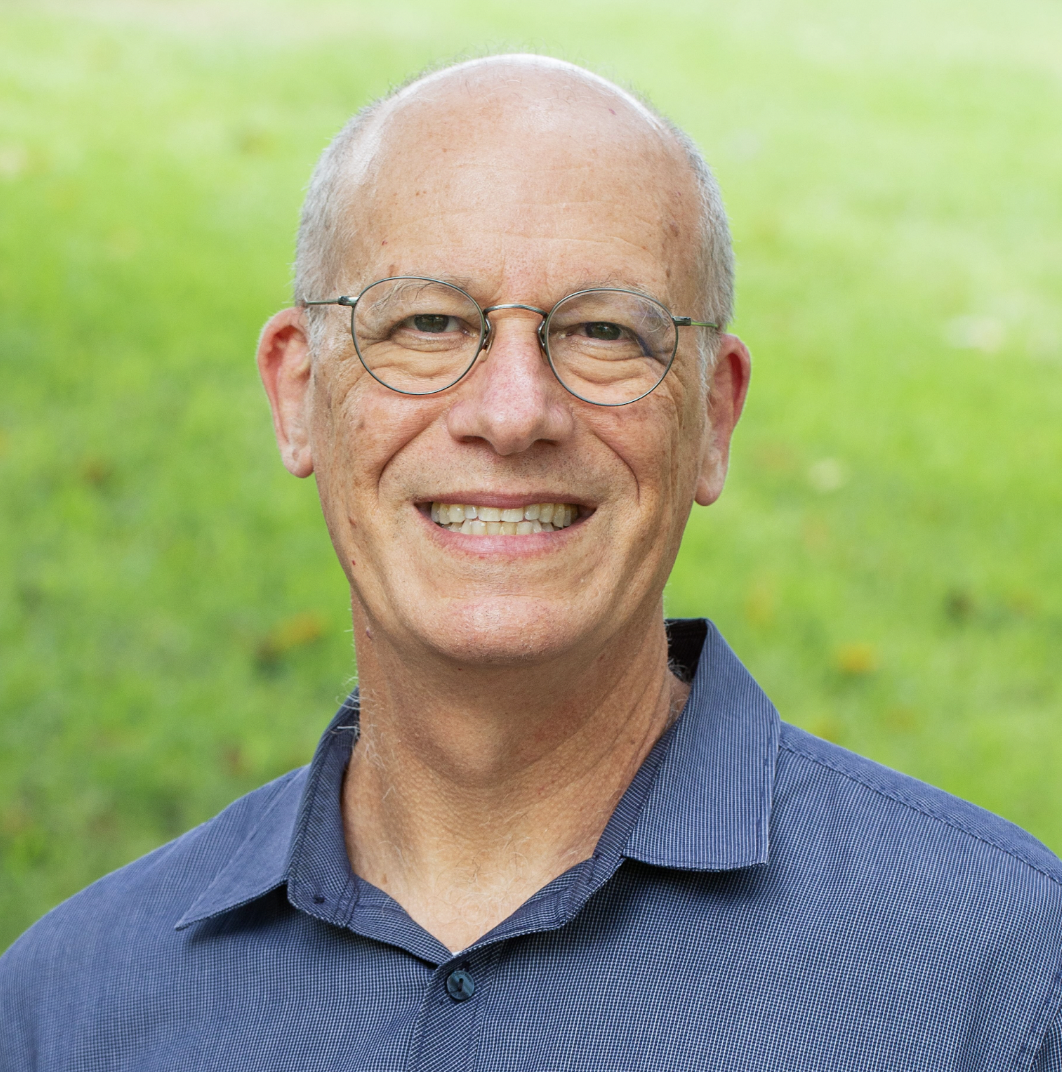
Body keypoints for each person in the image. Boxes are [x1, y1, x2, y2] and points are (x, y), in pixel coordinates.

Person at [2, 54, 1060, 1071]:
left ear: (714, 416)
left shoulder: (1007, 980)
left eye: (604, 332)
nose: (514, 413)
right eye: (427, 322)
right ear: (297, 393)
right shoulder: (64, 1009)